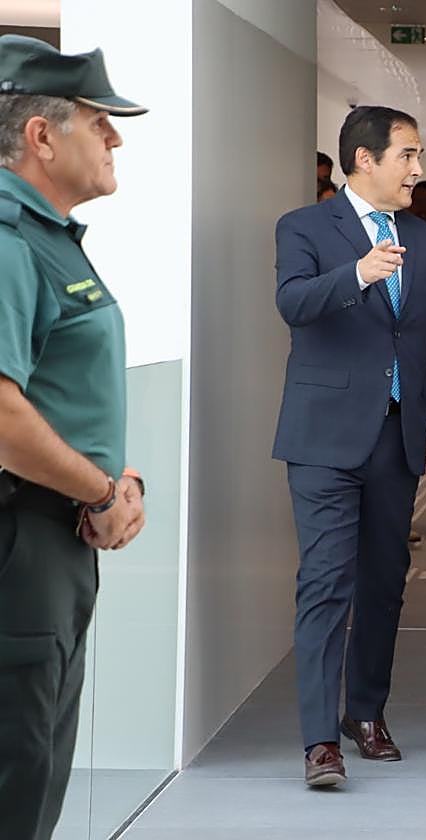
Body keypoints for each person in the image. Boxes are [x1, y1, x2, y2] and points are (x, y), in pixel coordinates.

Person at [273, 105, 426, 788]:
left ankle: (366, 714)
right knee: (326, 584)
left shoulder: (424, 240)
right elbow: (293, 302)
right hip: (324, 438)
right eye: (408, 156)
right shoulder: (304, 227)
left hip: (397, 440)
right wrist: (358, 274)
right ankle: (317, 741)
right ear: (365, 159)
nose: (418, 170)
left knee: (385, 584)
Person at [0, 34, 148, 840]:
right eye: (100, 122)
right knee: (19, 767)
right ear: (41, 135)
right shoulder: (8, 237)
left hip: (57, 530)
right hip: (21, 534)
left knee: (40, 754)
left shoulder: (47, 235)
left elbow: (57, 387)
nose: (115, 138)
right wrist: (98, 489)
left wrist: (116, 480)